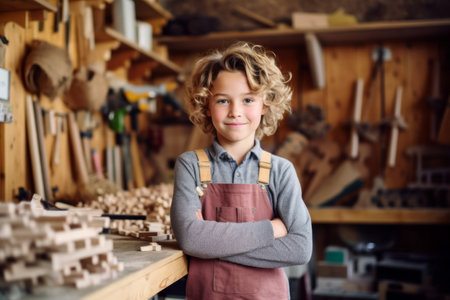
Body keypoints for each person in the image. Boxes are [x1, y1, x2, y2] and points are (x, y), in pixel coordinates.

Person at [170, 41, 312, 300]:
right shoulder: (190, 166)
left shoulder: (281, 171)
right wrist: (271, 231)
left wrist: (211, 244)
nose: (236, 112)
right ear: (207, 106)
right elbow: (191, 240)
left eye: (248, 100)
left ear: (264, 105)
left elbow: (300, 249)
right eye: (223, 100)